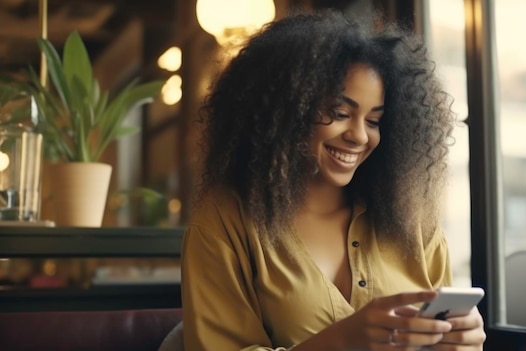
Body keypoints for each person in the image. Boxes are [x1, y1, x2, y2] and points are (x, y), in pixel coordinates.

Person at [181, 9, 486, 351]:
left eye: (374, 121)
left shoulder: (412, 221)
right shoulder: (226, 221)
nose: (359, 136)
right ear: (284, 111)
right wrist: (341, 341)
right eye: (340, 113)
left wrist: (462, 343)